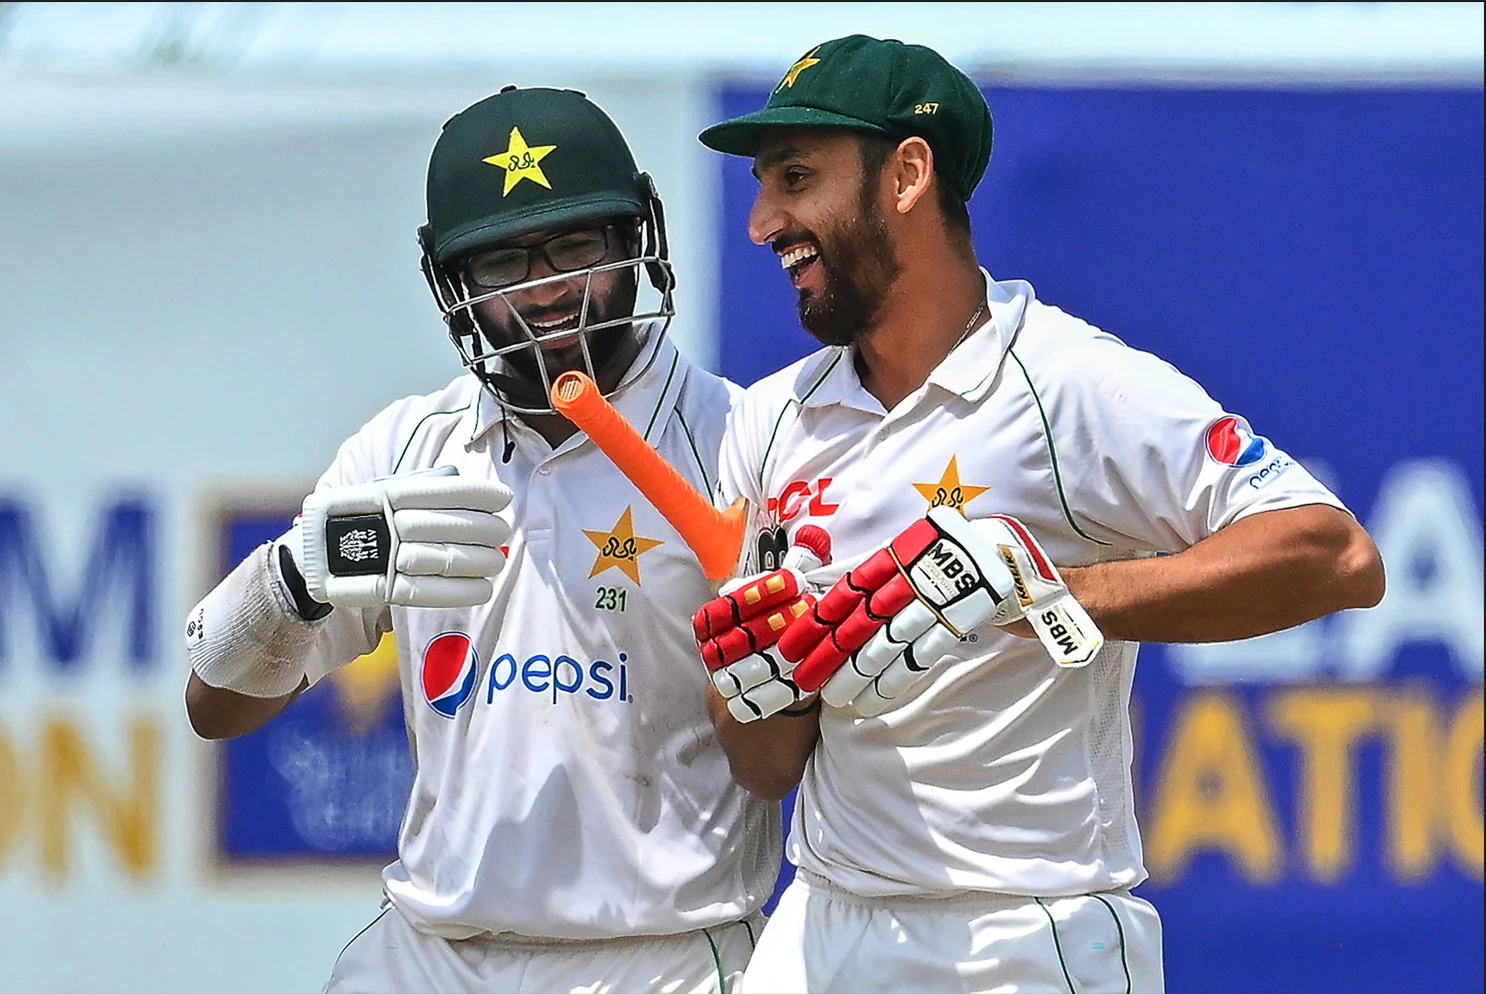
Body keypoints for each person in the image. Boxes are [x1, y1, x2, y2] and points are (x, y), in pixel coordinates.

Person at [689, 34, 1387, 994]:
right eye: (765, 187)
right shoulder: (771, 420)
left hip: (1023, 937)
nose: (765, 222)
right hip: (818, 924)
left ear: (908, 174)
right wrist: (750, 682)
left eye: (797, 178)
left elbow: (1338, 555)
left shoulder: (1071, 384)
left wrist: (1041, 587)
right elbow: (769, 768)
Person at [182, 85, 780, 994]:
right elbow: (214, 706)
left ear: (634, 241)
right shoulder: (406, 449)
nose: (545, 289)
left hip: (665, 959)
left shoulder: (742, 444)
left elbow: (782, 768)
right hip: (430, 955)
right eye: (501, 262)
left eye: (576, 245)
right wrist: (295, 581)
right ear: (453, 282)